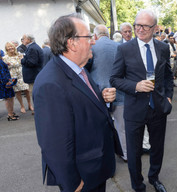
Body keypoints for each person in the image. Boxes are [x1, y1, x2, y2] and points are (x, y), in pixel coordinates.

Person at [33, 13, 122, 192]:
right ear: (72, 43)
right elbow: (53, 143)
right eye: (89, 36)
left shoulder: (77, 68)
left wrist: (101, 98)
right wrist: (72, 182)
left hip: (94, 167)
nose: (94, 41)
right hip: (81, 177)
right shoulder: (51, 84)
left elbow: (80, 101)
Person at [110, 9, 173, 192]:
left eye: (145, 26)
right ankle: (138, 185)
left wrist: (169, 97)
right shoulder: (124, 49)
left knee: (157, 148)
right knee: (134, 152)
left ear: (155, 28)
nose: (140, 29)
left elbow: (168, 74)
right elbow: (114, 78)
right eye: (137, 25)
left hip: (158, 108)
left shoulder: (163, 48)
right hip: (134, 109)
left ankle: (154, 178)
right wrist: (135, 86)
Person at [90, 24, 127, 162]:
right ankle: (126, 154)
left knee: (101, 129)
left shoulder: (92, 47)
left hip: (99, 93)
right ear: (108, 33)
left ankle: (106, 158)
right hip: (120, 91)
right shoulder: (119, 46)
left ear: (95, 36)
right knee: (122, 127)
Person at [3, 42, 32, 113]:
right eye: (8, 47)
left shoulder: (19, 55)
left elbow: (24, 62)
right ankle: (22, 106)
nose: (10, 48)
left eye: (11, 46)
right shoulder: (5, 58)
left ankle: (29, 104)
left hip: (22, 75)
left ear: (14, 47)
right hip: (13, 77)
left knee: (27, 90)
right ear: (6, 49)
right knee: (18, 91)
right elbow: (4, 68)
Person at [21, 34, 44, 114]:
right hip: (34, 74)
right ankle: (39, 109)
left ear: (28, 39)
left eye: (23, 39)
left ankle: (38, 110)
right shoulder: (33, 47)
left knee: (35, 93)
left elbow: (32, 62)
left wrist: (22, 60)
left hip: (33, 75)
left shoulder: (32, 48)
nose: (22, 40)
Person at [0, 54, 19, 121]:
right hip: (5, 82)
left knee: (10, 98)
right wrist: (7, 82)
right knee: (8, 98)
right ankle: (10, 115)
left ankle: (11, 113)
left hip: (4, 81)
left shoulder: (1, 61)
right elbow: (2, 73)